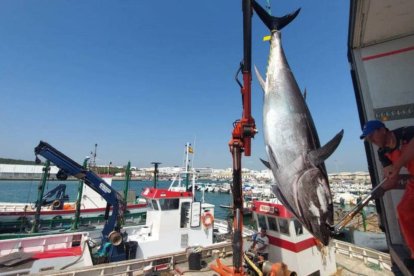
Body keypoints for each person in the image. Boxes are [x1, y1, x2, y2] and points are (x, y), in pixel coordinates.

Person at [360, 120, 414, 267]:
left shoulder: (406, 133)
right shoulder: (382, 153)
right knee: (403, 211)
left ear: (382, 130)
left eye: (372, 136)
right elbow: (392, 179)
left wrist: (397, 165)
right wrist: (382, 189)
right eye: (368, 139)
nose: (371, 141)